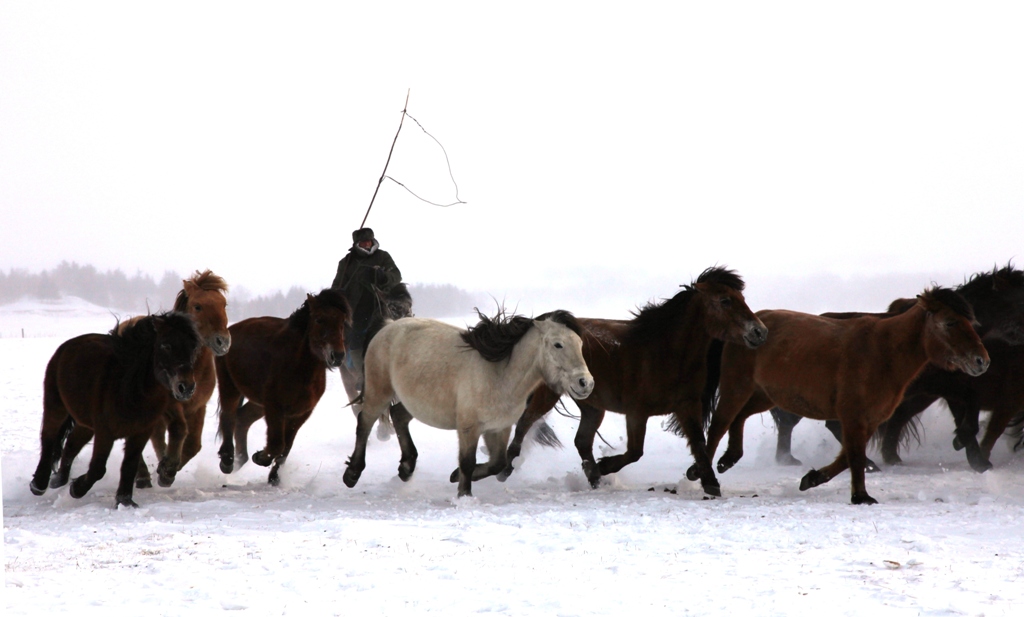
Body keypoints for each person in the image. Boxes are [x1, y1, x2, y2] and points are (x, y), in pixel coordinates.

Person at [331, 227, 408, 440]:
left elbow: (396, 276)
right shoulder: (346, 262)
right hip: (355, 317)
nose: (366, 245)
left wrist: (381, 275)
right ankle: (363, 382)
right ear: (356, 244)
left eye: (369, 241)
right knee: (355, 352)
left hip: (380, 312)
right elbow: (337, 286)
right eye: (363, 243)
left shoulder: (383, 257)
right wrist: (340, 293)